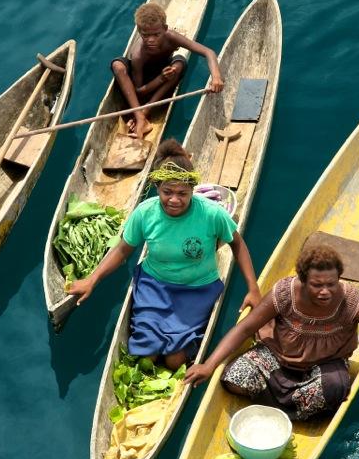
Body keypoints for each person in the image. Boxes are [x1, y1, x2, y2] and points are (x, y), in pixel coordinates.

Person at [184, 243, 359, 419]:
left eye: (331, 283)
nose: (325, 291)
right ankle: (292, 403)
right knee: (234, 378)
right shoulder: (284, 293)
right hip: (279, 360)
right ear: (303, 280)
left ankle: (284, 402)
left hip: (322, 367)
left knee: (334, 388)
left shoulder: (351, 300)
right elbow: (245, 327)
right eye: (317, 284)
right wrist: (208, 365)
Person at [69, 140, 261, 371]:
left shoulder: (211, 214)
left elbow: (237, 245)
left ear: (192, 191)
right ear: (157, 187)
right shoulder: (145, 213)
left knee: (174, 360)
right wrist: (92, 279)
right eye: (167, 192)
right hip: (154, 286)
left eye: (182, 193)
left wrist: (253, 289)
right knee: (147, 356)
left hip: (197, 288)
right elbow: (122, 251)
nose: (174, 199)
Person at [112, 2, 224, 138]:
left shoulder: (171, 37)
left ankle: (144, 113)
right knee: (118, 66)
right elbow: (139, 91)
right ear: (139, 31)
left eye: (156, 34)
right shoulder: (138, 55)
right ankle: (141, 116)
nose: (150, 40)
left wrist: (216, 77)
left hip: (164, 75)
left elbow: (208, 52)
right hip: (143, 82)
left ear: (165, 29)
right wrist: (161, 78)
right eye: (145, 35)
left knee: (179, 65)